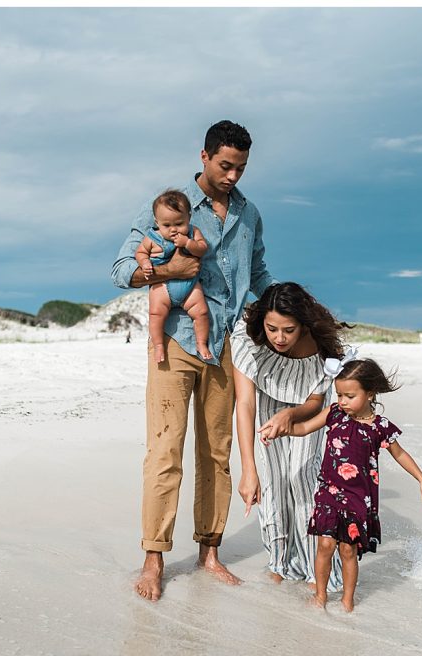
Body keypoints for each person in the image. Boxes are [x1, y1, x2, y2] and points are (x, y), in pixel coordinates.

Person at [111, 120, 274, 602]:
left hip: (225, 341)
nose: (232, 177)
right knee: (166, 451)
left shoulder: (249, 214)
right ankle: (153, 558)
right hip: (177, 341)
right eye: (225, 165)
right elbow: (121, 271)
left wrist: (289, 305)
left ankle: (210, 551)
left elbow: (258, 272)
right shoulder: (169, 204)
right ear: (203, 157)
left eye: (241, 168)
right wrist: (169, 269)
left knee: (216, 453)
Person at [281, 358, 422, 612]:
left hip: (358, 499)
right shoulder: (333, 414)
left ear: (370, 394)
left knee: (348, 551)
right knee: (325, 545)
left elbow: (400, 454)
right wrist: (282, 429)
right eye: (339, 394)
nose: (342, 401)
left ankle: (347, 600)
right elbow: (305, 427)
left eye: (349, 396)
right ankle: (320, 596)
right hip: (328, 492)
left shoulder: (380, 428)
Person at [233, 282, 353, 592]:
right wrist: (248, 469)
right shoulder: (249, 341)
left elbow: (315, 402)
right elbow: (245, 404)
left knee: (302, 479)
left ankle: (318, 566)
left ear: (303, 325)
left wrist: (291, 415)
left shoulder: (321, 348)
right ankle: (280, 562)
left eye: (289, 330)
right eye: (272, 328)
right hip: (267, 402)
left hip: (306, 409)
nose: (279, 337)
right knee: (274, 480)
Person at [134, 189, 212, 363]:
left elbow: (202, 249)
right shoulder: (152, 237)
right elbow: (140, 252)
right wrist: (145, 263)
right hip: (162, 287)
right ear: (157, 223)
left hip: (190, 286)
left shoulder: (193, 232)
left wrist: (188, 243)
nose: (173, 230)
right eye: (167, 226)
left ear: (189, 218)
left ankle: (201, 343)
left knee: (201, 313)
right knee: (155, 314)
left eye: (179, 223)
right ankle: (159, 345)